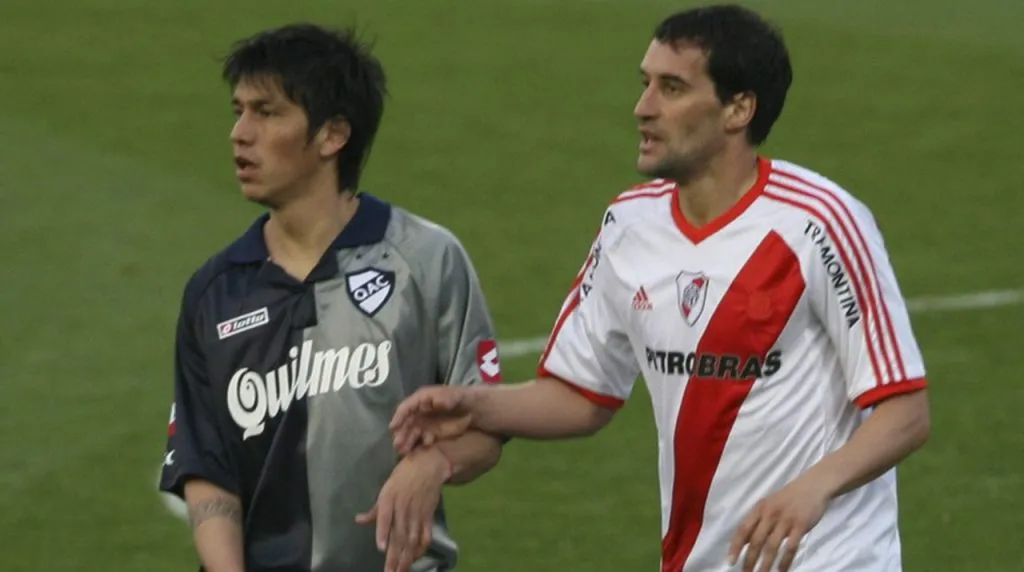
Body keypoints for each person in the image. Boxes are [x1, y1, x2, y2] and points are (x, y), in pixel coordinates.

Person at [389, 5, 931, 572]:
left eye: (672, 88)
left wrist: (811, 490)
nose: (643, 108)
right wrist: (473, 404)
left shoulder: (817, 221)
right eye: (645, 84)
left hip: (830, 558)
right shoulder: (630, 225)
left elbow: (905, 411)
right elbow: (580, 394)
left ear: (738, 109)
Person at [158, 23, 505, 572]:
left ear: (332, 135)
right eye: (238, 111)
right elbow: (207, 471)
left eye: (266, 112)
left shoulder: (425, 259)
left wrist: (433, 462)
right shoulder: (215, 291)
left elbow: (486, 420)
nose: (239, 133)